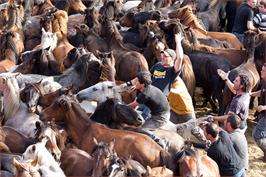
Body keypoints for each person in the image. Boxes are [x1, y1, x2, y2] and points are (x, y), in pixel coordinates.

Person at [251, 63, 266, 162]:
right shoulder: (264, 82)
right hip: (263, 113)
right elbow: (262, 92)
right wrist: (251, 94)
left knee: (257, 135)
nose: (261, 71)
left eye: (263, 70)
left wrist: (264, 107)